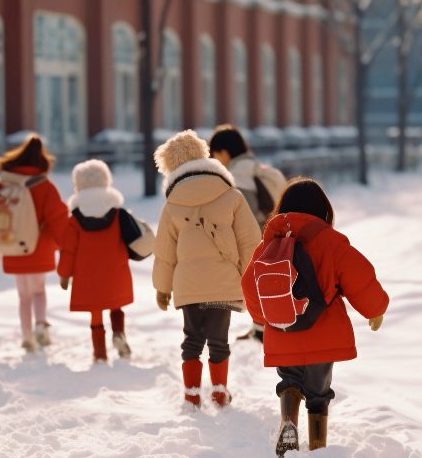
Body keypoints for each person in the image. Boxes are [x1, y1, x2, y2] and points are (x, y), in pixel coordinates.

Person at [241, 178, 389, 457]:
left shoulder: (270, 244)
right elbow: (359, 276)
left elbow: (250, 284)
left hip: (283, 331)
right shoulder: (331, 242)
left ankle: (288, 421)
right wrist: (375, 309)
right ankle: (319, 447)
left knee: (289, 381)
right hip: (325, 332)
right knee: (319, 391)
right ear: (323, 209)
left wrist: (263, 317)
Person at [152, 129, 261, 408]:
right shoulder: (231, 195)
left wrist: (163, 288)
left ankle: (191, 393)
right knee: (218, 340)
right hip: (223, 281)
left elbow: (165, 251)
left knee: (191, 340)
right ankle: (219, 391)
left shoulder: (172, 203)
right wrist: (252, 277)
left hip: (188, 284)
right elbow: (250, 240)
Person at [0, 134, 68, 352]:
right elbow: (58, 218)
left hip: (11, 246)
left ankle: (27, 336)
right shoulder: (44, 186)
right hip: (39, 248)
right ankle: (41, 325)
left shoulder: (5, 183)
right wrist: (65, 246)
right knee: (39, 290)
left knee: (23, 296)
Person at [57, 159, 144, 363]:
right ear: (106, 180)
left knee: (95, 312)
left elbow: (68, 250)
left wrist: (64, 274)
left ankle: (100, 353)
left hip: (88, 276)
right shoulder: (116, 213)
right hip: (115, 271)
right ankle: (119, 334)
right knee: (115, 305)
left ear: (78, 184)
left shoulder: (74, 220)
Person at [209, 124, 286, 342]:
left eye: (215, 153)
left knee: (256, 285)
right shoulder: (258, 167)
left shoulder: (238, 174)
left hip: (258, 237)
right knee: (265, 284)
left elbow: (245, 211)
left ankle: (263, 330)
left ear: (224, 152)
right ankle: (261, 328)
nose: (215, 159)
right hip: (275, 235)